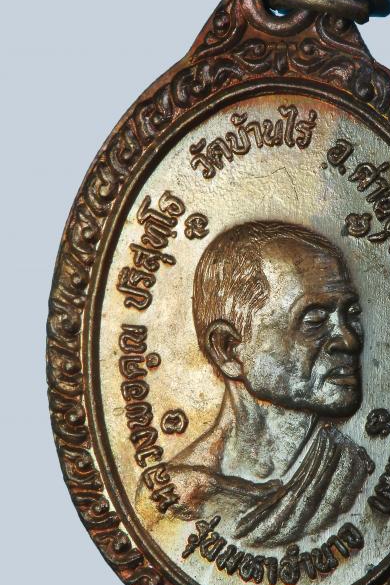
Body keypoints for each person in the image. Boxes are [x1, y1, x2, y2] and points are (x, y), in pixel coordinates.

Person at [136, 220, 374, 548]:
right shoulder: (171, 496)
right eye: (315, 320)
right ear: (229, 349)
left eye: (351, 313)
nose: (349, 340)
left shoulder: (352, 470)